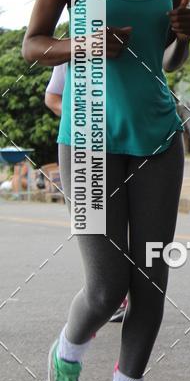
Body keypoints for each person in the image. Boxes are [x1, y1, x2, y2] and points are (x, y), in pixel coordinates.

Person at [23, 0, 190, 381]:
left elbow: (171, 61)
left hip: (155, 136)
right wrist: (86, 45)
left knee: (150, 276)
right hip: (91, 136)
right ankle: (68, 350)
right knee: (106, 285)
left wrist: (182, 37)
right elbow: (33, 45)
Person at [45, 63, 128, 323]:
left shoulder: (137, 37)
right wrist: (79, 114)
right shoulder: (74, 44)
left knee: (134, 227)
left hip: (135, 142)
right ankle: (110, 296)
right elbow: (53, 97)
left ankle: (132, 297)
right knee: (100, 231)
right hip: (87, 148)